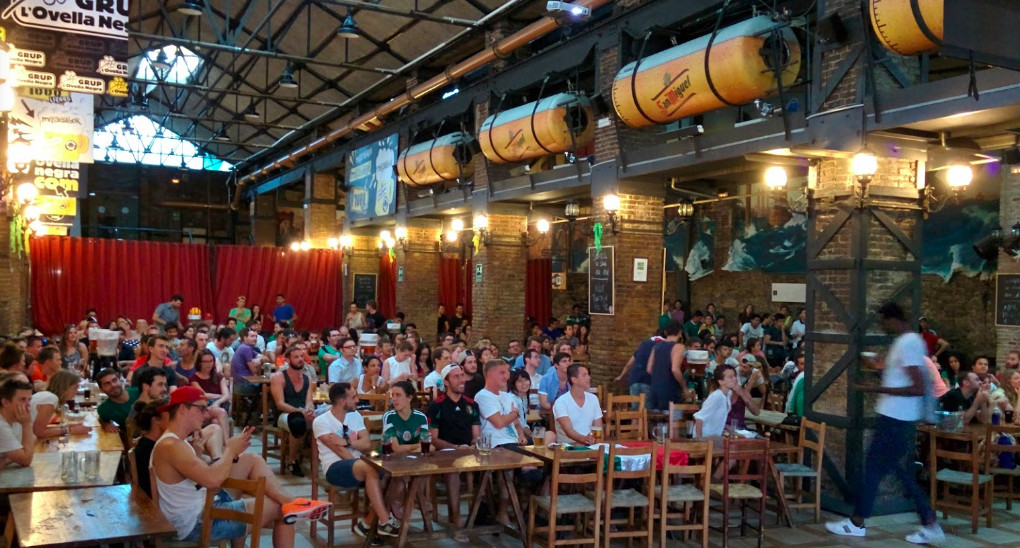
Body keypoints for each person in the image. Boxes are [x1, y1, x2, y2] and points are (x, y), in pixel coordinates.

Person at [150, 387, 330, 546]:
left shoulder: (176, 442)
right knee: (281, 510)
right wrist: (229, 451)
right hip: (196, 523)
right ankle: (290, 503)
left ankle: (290, 502)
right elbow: (213, 481)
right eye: (201, 409)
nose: (206, 414)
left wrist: (232, 453)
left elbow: (204, 474)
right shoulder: (171, 446)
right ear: (182, 409)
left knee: (251, 459)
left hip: (203, 504)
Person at [826, 303, 944, 544]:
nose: (882, 325)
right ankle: (928, 522)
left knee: (874, 470)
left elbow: (917, 387)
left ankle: (858, 523)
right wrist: (882, 368)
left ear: (893, 319)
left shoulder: (908, 343)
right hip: (896, 418)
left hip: (896, 419)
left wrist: (873, 387)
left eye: (883, 321)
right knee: (896, 471)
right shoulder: (906, 342)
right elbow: (904, 377)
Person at [313, 382, 401, 538]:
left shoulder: (354, 416)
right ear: (341, 401)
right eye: (353, 397)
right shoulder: (321, 422)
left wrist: (348, 442)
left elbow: (366, 444)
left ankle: (367, 524)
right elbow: (339, 451)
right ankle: (384, 520)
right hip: (335, 468)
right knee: (371, 468)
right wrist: (363, 462)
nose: (358, 401)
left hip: (360, 465)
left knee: (395, 476)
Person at [426, 364, 480, 527]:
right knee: (453, 470)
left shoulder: (472, 404)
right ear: (447, 382)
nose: (461, 380)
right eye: (456, 376)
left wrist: (473, 445)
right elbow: (433, 439)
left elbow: (476, 435)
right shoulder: (437, 405)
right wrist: (456, 448)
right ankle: (455, 517)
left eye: (462, 376)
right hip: (445, 451)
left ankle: (482, 514)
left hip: (468, 450)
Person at [474, 359, 527, 524]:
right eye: (502, 372)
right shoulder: (482, 396)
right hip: (496, 443)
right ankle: (503, 511)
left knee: (548, 449)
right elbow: (499, 422)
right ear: (490, 375)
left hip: (513, 440)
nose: (507, 376)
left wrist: (521, 434)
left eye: (507, 372)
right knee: (512, 467)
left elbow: (517, 424)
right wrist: (513, 414)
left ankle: (530, 510)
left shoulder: (506, 396)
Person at [271, 345, 315, 477]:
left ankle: (320, 459)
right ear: (288, 360)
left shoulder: (307, 379)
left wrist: (309, 410)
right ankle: (292, 461)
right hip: (284, 414)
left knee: (324, 420)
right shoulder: (279, 377)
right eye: (296, 357)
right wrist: (300, 412)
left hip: (301, 412)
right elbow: (280, 404)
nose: (300, 359)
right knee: (297, 422)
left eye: (302, 356)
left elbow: (309, 401)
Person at [31, 370, 91, 439]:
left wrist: (68, 426)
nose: (76, 392)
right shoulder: (50, 398)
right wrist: (70, 430)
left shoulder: (47, 396)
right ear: (65, 387)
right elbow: (39, 432)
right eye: (75, 388)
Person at [552, 364, 602, 445]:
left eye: (588, 374)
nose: (589, 378)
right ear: (574, 380)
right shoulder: (561, 402)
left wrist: (593, 439)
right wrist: (584, 439)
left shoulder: (593, 399)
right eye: (584, 375)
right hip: (568, 446)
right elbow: (569, 431)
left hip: (590, 444)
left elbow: (598, 427)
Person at [646, 322, 689, 410]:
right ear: (680, 333)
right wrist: (684, 387)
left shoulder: (656, 346)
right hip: (670, 389)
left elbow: (649, 369)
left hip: (654, 388)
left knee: (656, 420)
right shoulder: (679, 347)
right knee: (673, 420)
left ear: (666, 332)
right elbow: (675, 369)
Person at [132, 398, 167, 498]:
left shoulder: (147, 442)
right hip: (156, 504)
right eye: (171, 415)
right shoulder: (151, 450)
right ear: (156, 420)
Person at [190, 350, 231, 431]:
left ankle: (221, 443)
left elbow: (226, 395)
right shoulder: (194, 378)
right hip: (204, 406)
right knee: (218, 417)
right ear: (199, 363)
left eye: (211, 361)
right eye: (205, 361)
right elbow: (203, 395)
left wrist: (217, 402)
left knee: (216, 421)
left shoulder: (219, 376)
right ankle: (227, 443)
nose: (209, 364)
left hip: (220, 404)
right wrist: (219, 396)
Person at [694, 364, 737, 437]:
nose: (734, 379)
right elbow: (699, 418)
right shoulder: (716, 396)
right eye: (730, 377)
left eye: (735, 376)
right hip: (705, 438)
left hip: (715, 437)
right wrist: (700, 441)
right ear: (720, 381)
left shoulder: (728, 394)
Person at [0, 379, 35, 468]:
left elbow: (33, 439)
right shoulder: (1, 424)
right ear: (5, 402)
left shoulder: (17, 419)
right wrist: (27, 425)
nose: (28, 405)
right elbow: (26, 460)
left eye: (29, 400)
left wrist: (6, 459)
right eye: (23, 400)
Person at [97, 368, 138, 433]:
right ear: (101, 389)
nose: (113, 385)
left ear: (120, 381)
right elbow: (101, 420)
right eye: (107, 384)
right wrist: (106, 425)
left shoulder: (138, 391)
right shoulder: (104, 409)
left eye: (115, 380)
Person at [507, 368, 533, 441]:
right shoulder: (512, 399)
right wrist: (532, 435)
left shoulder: (523, 398)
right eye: (520, 381)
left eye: (526, 380)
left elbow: (524, 423)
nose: (524, 383)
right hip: (515, 437)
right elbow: (519, 424)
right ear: (513, 384)